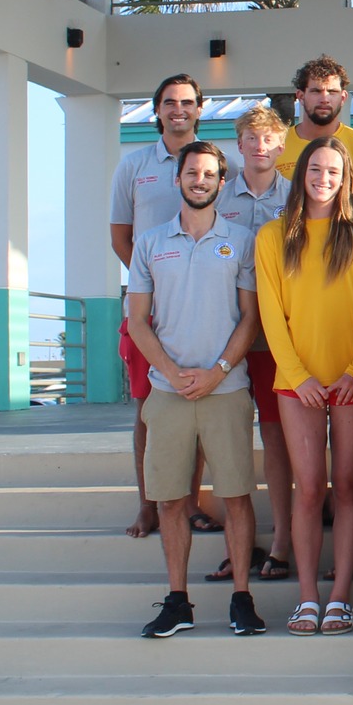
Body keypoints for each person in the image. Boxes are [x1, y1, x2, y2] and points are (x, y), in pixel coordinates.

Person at [124, 142, 263, 639]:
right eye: (192, 172)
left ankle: (242, 598)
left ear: (222, 182)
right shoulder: (150, 242)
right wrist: (172, 371)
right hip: (169, 391)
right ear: (177, 178)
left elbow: (251, 316)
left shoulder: (243, 240)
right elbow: (137, 320)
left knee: (236, 495)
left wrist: (219, 370)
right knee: (169, 501)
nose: (200, 180)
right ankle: (178, 600)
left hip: (226, 389)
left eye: (209, 174)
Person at [255, 134, 353, 636]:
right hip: (297, 382)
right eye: (315, 171)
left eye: (333, 172)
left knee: (350, 486)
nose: (323, 179)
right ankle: (307, 596)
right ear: (300, 175)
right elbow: (272, 313)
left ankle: (340, 595)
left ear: (346, 178)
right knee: (308, 488)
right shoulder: (273, 237)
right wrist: (298, 376)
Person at [109, 72, 212, 539]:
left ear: (199, 109)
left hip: (203, 310)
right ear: (157, 110)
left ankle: (189, 502)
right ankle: (148, 504)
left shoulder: (211, 164)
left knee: (197, 404)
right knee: (149, 408)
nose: (178, 110)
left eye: (187, 102)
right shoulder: (132, 167)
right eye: (169, 102)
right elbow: (120, 236)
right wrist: (154, 285)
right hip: (148, 312)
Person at [216, 104, 293, 581]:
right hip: (226, 335)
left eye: (268, 139)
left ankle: (283, 538)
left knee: (277, 439)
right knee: (230, 442)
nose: (260, 147)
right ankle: (237, 540)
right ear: (239, 145)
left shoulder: (299, 197)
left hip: (275, 338)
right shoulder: (218, 198)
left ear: (281, 147)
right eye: (251, 139)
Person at [279, 55, 353, 179]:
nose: (324, 99)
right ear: (301, 96)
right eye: (316, 91)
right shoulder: (277, 145)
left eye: (332, 92)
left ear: (343, 97)